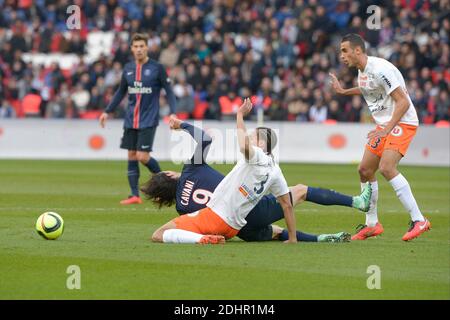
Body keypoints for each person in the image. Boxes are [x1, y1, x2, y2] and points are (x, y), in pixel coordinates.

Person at [149, 99, 371, 244]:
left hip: (236, 226)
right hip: (247, 211)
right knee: (301, 191)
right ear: (169, 175)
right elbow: (207, 138)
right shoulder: (192, 169)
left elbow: (191, 224)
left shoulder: (181, 207)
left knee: (273, 231)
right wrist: (181, 125)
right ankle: (355, 203)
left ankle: (320, 238)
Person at [329, 33, 431, 241]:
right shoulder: (363, 72)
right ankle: (372, 225)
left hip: (402, 122)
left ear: (358, 50)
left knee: (386, 167)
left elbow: (402, 102)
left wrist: (386, 129)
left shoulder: (380, 69)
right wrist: (343, 91)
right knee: (364, 170)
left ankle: (419, 219)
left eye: (345, 50)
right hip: (385, 125)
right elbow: (367, 88)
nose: (342, 56)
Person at [99, 33, 177, 205]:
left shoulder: (157, 68)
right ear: (132, 48)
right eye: (136, 46)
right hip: (130, 120)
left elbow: (169, 91)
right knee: (132, 155)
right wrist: (107, 111)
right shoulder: (128, 68)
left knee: (142, 156)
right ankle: (134, 195)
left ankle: (166, 186)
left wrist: (173, 112)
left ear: (147, 47)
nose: (139, 49)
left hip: (148, 119)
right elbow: (121, 92)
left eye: (142, 46)